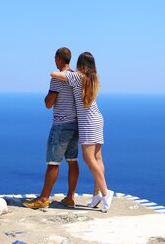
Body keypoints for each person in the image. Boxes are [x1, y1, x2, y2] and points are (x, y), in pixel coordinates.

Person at [51, 51, 114, 212]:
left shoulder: (78, 77)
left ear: (80, 64)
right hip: (97, 118)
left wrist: (64, 70)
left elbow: (55, 74)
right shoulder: (93, 78)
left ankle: (106, 193)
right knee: (98, 158)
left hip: (88, 121)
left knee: (88, 158)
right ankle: (96, 195)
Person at [23, 47, 80, 209]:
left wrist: (48, 98)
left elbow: (49, 103)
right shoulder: (76, 78)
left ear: (58, 59)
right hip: (75, 124)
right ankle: (70, 197)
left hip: (61, 125)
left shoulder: (58, 78)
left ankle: (43, 199)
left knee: (53, 162)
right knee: (73, 161)